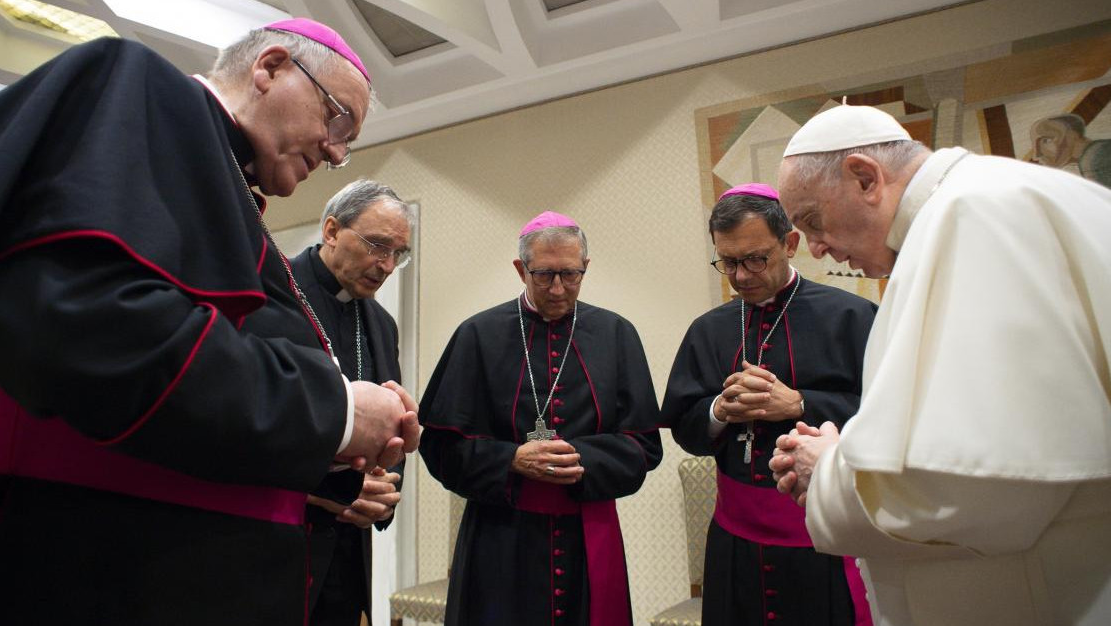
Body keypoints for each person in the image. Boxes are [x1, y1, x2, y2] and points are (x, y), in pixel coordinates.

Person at [0, 18, 420, 626]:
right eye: (336, 119)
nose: (335, 152)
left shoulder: (225, 182)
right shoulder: (137, 85)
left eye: (347, 141)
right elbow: (98, 335)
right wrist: (339, 414)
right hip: (76, 565)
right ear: (270, 67)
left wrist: (337, 466)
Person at [770, 104, 1111, 625]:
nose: (816, 249)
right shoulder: (999, 197)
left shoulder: (972, 215)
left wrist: (830, 468)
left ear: (865, 177)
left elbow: (980, 486)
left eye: (813, 221)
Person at [418, 211, 663, 626]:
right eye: (543, 274)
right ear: (520, 269)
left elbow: (645, 446)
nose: (557, 288)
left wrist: (579, 457)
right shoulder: (477, 335)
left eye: (570, 275)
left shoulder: (617, 334)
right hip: (499, 536)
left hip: (588, 535)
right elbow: (440, 447)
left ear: (585, 267)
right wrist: (511, 460)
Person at [660, 183, 877, 625]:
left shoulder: (852, 317)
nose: (741, 276)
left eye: (756, 259)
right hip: (735, 541)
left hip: (824, 539)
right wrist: (719, 411)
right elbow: (683, 426)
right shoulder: (708, 330)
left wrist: (800, 404)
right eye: (729, 262)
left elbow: (888, 420)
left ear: (790, 243)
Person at [290, 179, 413, 625]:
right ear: (330, 231)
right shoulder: (278, 291)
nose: (386, 265)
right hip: (282, 535)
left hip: (348, 548)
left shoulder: (381, 322)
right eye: (377, 245)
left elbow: (394, 421)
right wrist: (331, 489)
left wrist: (382, 490)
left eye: (398, 253)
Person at [1030, 113, 1111, 188]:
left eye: (1046, 140)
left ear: (1072, 136)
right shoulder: (1097, 152)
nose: (1036, 155)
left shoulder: (1094, 159)